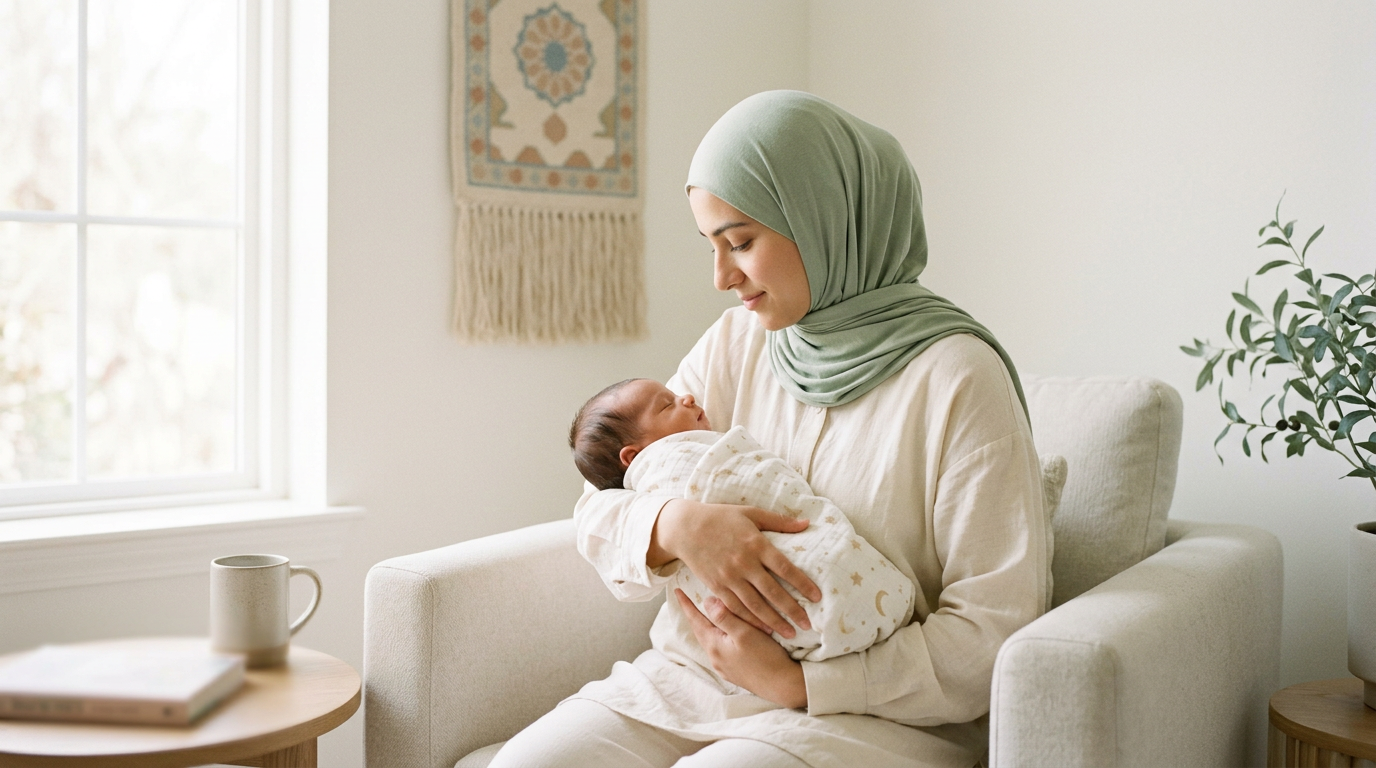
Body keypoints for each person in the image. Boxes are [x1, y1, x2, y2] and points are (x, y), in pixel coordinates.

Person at [490, 91, 1048, 768]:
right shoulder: (738, 341)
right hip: (689, 681)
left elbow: (994, 629)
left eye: (742, 242)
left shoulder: (958, 377)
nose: (722, 277)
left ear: (825, 219)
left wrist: (802, 682)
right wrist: (676, 526)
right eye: (712, 246)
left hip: (865, 715)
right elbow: (602, 501)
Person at [568, 376, 916, 662]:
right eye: (667, 403)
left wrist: (793, 685)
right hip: (689, 664)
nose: (687, 396)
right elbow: (593, 510)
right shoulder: (662, 461)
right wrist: (676, 522)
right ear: (634, 456)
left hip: (814, 679)